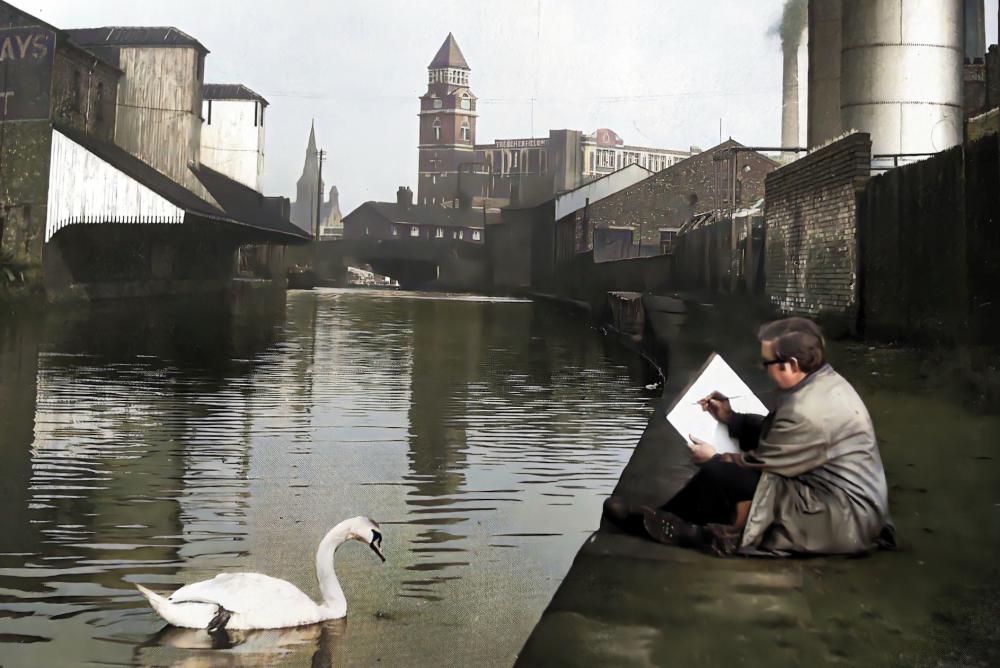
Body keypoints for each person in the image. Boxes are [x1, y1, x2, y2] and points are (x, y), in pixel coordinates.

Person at [603, 317, 896, 557]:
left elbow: (761, 464)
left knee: (723, 473)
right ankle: (674, 520)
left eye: (768, 364)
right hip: (851, 505)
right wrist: (731, 418)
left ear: (791, 365)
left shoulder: (805, 409)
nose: (764, 370)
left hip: (843, 518)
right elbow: (777, 431)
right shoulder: (823, 383)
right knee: (732, 478)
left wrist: (714, 458)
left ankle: (678, 527)